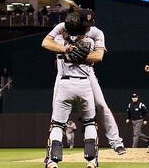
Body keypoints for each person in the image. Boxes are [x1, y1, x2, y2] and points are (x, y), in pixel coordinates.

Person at [41, 10, 126, 155]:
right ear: (76, 21)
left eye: (90, 23)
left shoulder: (96, 33)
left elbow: (99, 56)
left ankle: (116, 142)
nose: (88, 27)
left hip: (87, 73)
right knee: (57, 111)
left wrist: (80, 57)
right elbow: (45, 42)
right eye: (85, 24)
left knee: (102, 105)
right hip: (63, 74)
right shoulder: (63, 27)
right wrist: (65, 49)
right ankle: (52, 151)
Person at [41, 12, 99, 168]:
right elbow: (97, 56)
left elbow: (46, 43)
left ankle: (53, 162)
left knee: (58, 125)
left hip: (65, 84)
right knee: (90, 123)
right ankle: (91, 161)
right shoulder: (89, 42)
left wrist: (65, 49)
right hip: (84, 85)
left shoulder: (59, 40)